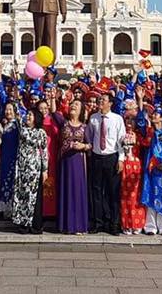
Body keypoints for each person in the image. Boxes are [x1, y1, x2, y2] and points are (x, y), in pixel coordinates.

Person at [86, 94, 125, 235]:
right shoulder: (93, 118)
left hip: (111, 157)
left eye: (103, 100)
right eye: (99, 100)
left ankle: (113, 223)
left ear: (110, 103)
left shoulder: (117, 119)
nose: (100, 102)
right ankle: (98, 222)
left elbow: (122, 140)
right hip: (97, 157)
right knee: (96, 191)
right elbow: (89, 135)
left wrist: (121, 159)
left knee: (112, 192)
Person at [12, 109, 48, 234]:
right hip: (22, 167)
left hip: (34, 169)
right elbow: (17, 112)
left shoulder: (41, 132)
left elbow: (44, 152)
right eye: (27, 114)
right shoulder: (22, 128)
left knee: (33, 197)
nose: (28, 116)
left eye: (31, 115)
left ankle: (35, 225)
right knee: (22, 195)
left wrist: (45, 170)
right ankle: (23, 224)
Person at [57, 98, 89, 234]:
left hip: (78, 162)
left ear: (81, 109)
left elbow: (91, 144)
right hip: (65, 162)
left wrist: (83, 146)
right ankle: (66, 225)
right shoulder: (63, 123)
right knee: (66, 191)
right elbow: (53, 112)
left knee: (78, 191)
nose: (73, 106)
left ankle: (79, 226)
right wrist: (54, 96)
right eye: (72, 104)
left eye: (76, 104)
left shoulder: (85, 127)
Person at [140, 105, 162, 235]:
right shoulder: (149, 132)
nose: (154, 116)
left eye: (157, 114)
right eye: (153, 114)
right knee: (151, 193)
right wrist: (141, 102)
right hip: (151, 168)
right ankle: (150, 225)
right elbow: (140, 122)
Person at [120, 104, 146, 235]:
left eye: (132, 119)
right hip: (124, 165)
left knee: (136, 195)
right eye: (127, 119)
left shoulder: (139, 136)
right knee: (124, 196)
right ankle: (126, 223)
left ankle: (137, 223)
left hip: (136, 167)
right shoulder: (120, 134)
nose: (129, 122)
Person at [0, 102, 20, 218]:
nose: (8, 112)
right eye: (7, 109)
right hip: (5, 156)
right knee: (5, 180)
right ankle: (5, 209)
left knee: (12, 181)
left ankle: (12, 209)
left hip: (14, 156)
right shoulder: (4, 124)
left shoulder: (18, 124)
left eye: (11, 109)